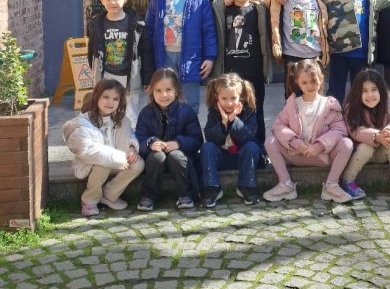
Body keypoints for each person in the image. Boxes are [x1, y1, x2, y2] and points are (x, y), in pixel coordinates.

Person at [264, 58, 353, 204]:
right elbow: (278, 126)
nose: (310, 86)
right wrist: (295, 143)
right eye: (304, 82)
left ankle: (331, 185)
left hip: (322, 156)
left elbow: (339, 129)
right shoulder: (292, 104)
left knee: (347, 144)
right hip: (296, 154)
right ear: (298, 83)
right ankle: (285, 184)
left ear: (321, 79)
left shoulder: (330, 104)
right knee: (270, 142)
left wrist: (319, 146)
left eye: (314, 81)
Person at [144, 0, 217, 114]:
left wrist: (210, 57)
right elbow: (149, 28)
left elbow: (209, 30)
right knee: (166, 97)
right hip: (164, 55)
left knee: (190, 102)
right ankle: (168, 128)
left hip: (191, 56)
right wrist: (148, 62)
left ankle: (190, 129)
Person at [314, 0, 390, 103]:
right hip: (339, 54)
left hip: (362, 55)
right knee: (335, 91)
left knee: (361, 92)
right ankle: (334, 115)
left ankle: (359, 116)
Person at [62, 78, 144, 217]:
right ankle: (89, 200)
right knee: (103, 163)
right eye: (106, 97)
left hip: (118, 161)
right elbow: (88, 150)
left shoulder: (121, 119)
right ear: (96, 96)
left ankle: (109, 194)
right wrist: (117, 158)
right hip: (91, 164)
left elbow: (130, 134)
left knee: (138, 164)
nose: (110, 102)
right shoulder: (83, 122)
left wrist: (131, 147)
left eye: (115, 99)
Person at [212, 0, 271, 144]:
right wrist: (224, 1)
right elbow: (214, 4)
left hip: (254, 72)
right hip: (231, 75)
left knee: (256, 110)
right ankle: (232, 147)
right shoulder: (223, 9)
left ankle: (259, 147)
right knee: (230, 110)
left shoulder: (259, 9)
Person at [135, 68, 203, 211]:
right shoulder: (145, 113)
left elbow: (197, 139)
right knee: (157, 157)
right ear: (152, 92)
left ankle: (185, 195)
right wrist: (150, 143)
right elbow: (139, 139)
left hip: (179, 157)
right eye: (158, 90)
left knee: (176, 155)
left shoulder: (186, 111)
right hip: (154, 159)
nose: (164, 95)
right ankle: (148, 196)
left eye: (168, 89)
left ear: (176, 90)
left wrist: (179, 143)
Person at [341, 68, 390, 199]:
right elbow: (355, 130)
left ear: (381, 90)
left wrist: (389, 132)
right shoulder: (351, 107)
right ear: (357, 92)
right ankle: (348, 180)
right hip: (360, 153)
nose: (370, 95)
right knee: (365, 147)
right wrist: (376, 136)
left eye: (374, 89)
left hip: (383, 150)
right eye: (364, 91)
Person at [87, 0, 146, 122]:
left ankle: (129, 136)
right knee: (106, 112)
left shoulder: (136, 23)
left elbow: (144, 51)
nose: (112, 2)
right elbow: (91, 50)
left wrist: (146, 77)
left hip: (129, 76)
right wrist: (95, 72)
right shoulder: (96, 23)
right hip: (106, 74)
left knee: (130, 115)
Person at [201, 74, 262, 207]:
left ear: (241, 97)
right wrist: (223, 123)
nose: (229, 103)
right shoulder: (214, 112)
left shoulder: (249, 111)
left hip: (242, 157)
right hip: (222, 157)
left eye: (233, 98)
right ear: (217, 97)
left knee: (252, 147)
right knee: (207, 147)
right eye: (224, 98)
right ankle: (212, 189)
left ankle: (246, 187)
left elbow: (249, 136)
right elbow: (209, 136)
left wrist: (234, 120)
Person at [270, 0, 329, 98]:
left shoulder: (319, 3)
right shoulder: (284, 0)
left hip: (314, 56)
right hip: (292, 57)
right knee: (292, 96)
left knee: (314, 95)